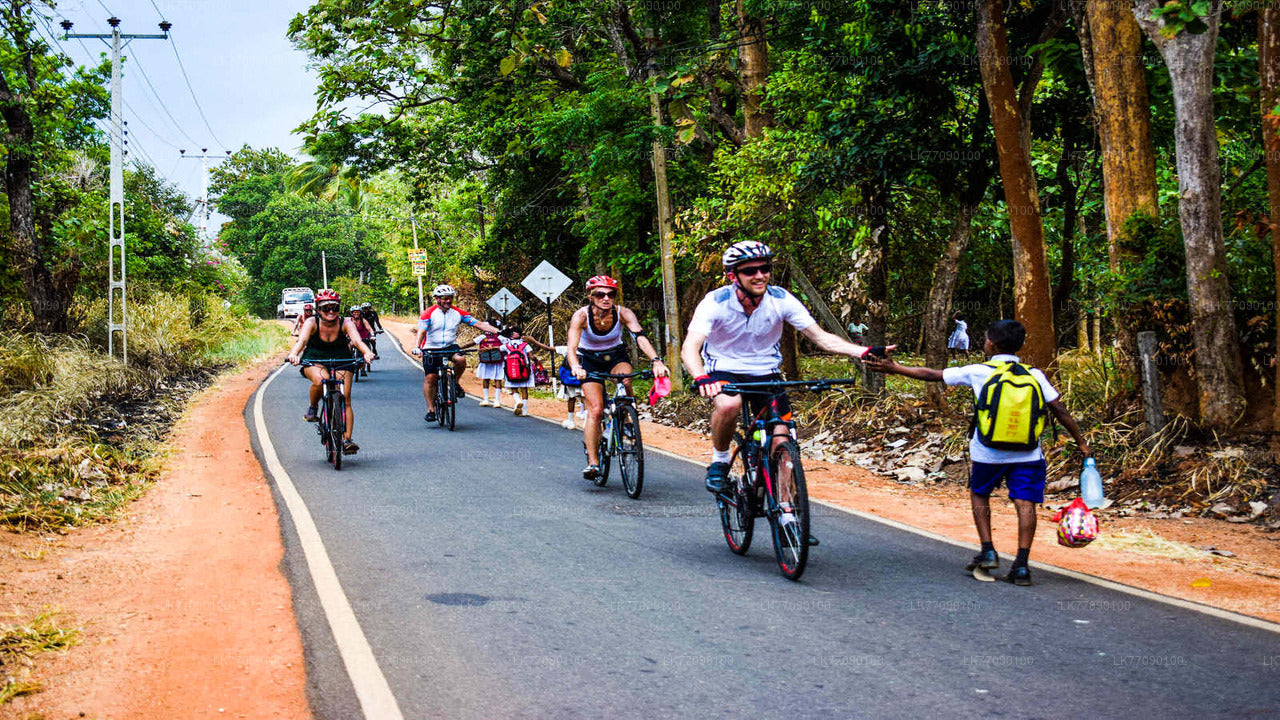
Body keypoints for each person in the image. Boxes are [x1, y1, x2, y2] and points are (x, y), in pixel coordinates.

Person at [681, 241, 889, 548]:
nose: (760, 275)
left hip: (767, 374)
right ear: (732, 276)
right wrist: (701, 377)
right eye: (750, 271)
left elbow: (821, 338)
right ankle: (720, 460)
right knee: (729, 404)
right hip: (725, 369)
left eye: (765, 269)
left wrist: (863, 351)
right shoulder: (715, 302)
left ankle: (789, 517)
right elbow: (690, 347)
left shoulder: (781, 299)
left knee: (783, 443)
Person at [866, 319, 1091, 586]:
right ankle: (1021, 565)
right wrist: (1081, 442)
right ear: (1021, 345)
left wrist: (895, 368)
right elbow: (1061, 411)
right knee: (1025, 502)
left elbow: (933, 375)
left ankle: (988, 550)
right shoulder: (1035, 374)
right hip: (1028, 453)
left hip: (987, 451)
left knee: (980, 494)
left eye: (985, 338)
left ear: (991, 343)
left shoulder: (978, 371)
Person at [567, 275, 670, 479]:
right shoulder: (581, 316)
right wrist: (576, 367)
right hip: (588, 360)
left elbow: (639, 336)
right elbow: (571, 347)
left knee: (626, 378)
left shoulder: (623, 313)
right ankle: (594, 462)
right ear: (590, 296)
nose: (606, 298)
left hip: (615, 355)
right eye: (600, 294)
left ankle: (626, 415)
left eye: (611, 294)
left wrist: (656, 360)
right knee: (595, 410)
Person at [287, 289, 375, 455]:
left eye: (334, 307)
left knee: (345, 397)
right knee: (321, 379)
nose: (331, 311)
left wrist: (366, 352)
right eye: (326, 308)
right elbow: (303, 340)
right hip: (315, 359)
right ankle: (313, 406)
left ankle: (347, 439)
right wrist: (294, 354)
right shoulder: (311, 323)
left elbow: (356, 339)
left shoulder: (346, 323)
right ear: (318, 309)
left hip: (342, 359)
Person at [411, 284, 501, 423]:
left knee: (460, 359)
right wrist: (417, 347)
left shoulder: (458, 312)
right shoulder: (429, 313)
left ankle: (456, 382)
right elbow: (421, 331)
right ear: (437, 299)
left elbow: (479, 324)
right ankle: (431, 410)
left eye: (450, 298)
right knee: (431, 378)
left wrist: (499, 332)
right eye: (445, 298)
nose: (448, 301)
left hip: (450, 345)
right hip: (431, 347)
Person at [499, 325, 552, 416]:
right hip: (524, 369)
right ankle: (524, 411)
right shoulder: (525, 345)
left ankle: (517, 400)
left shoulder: (506, 345)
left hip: (511, 369)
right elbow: (531, 356)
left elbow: (499, 350)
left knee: (513, 387)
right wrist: (536, 361)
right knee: (524, 389)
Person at [472, 325, 507, 408]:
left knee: (486, 378)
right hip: (497, 361)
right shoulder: (500, 337)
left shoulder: (483, 336)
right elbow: (507, 345)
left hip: (486, 361)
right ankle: (496, 401)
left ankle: (486, 399)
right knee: (498, 379)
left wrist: (460, 348)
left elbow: (472, 343)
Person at [555, 345, 585, 429]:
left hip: (569, 379)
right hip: (582, 378)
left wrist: (534, 341)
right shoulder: (586, 349)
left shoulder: (566, 349)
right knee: (584, 398)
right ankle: (586, 421)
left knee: (571, 399)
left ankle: (571, 421)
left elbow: (549, 348)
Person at [349, 305, 375, 377]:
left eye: (358, 313)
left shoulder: (363, 321)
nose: (356, 314)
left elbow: (370, 329)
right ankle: (349, 359)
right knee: (349, 345)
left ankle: (363, 369)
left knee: (364, 352)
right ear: (352, 313)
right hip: (353, 339)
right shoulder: (349, 321)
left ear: (360, 313)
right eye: (354, 313)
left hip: (363, 338)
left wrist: (372, 336)